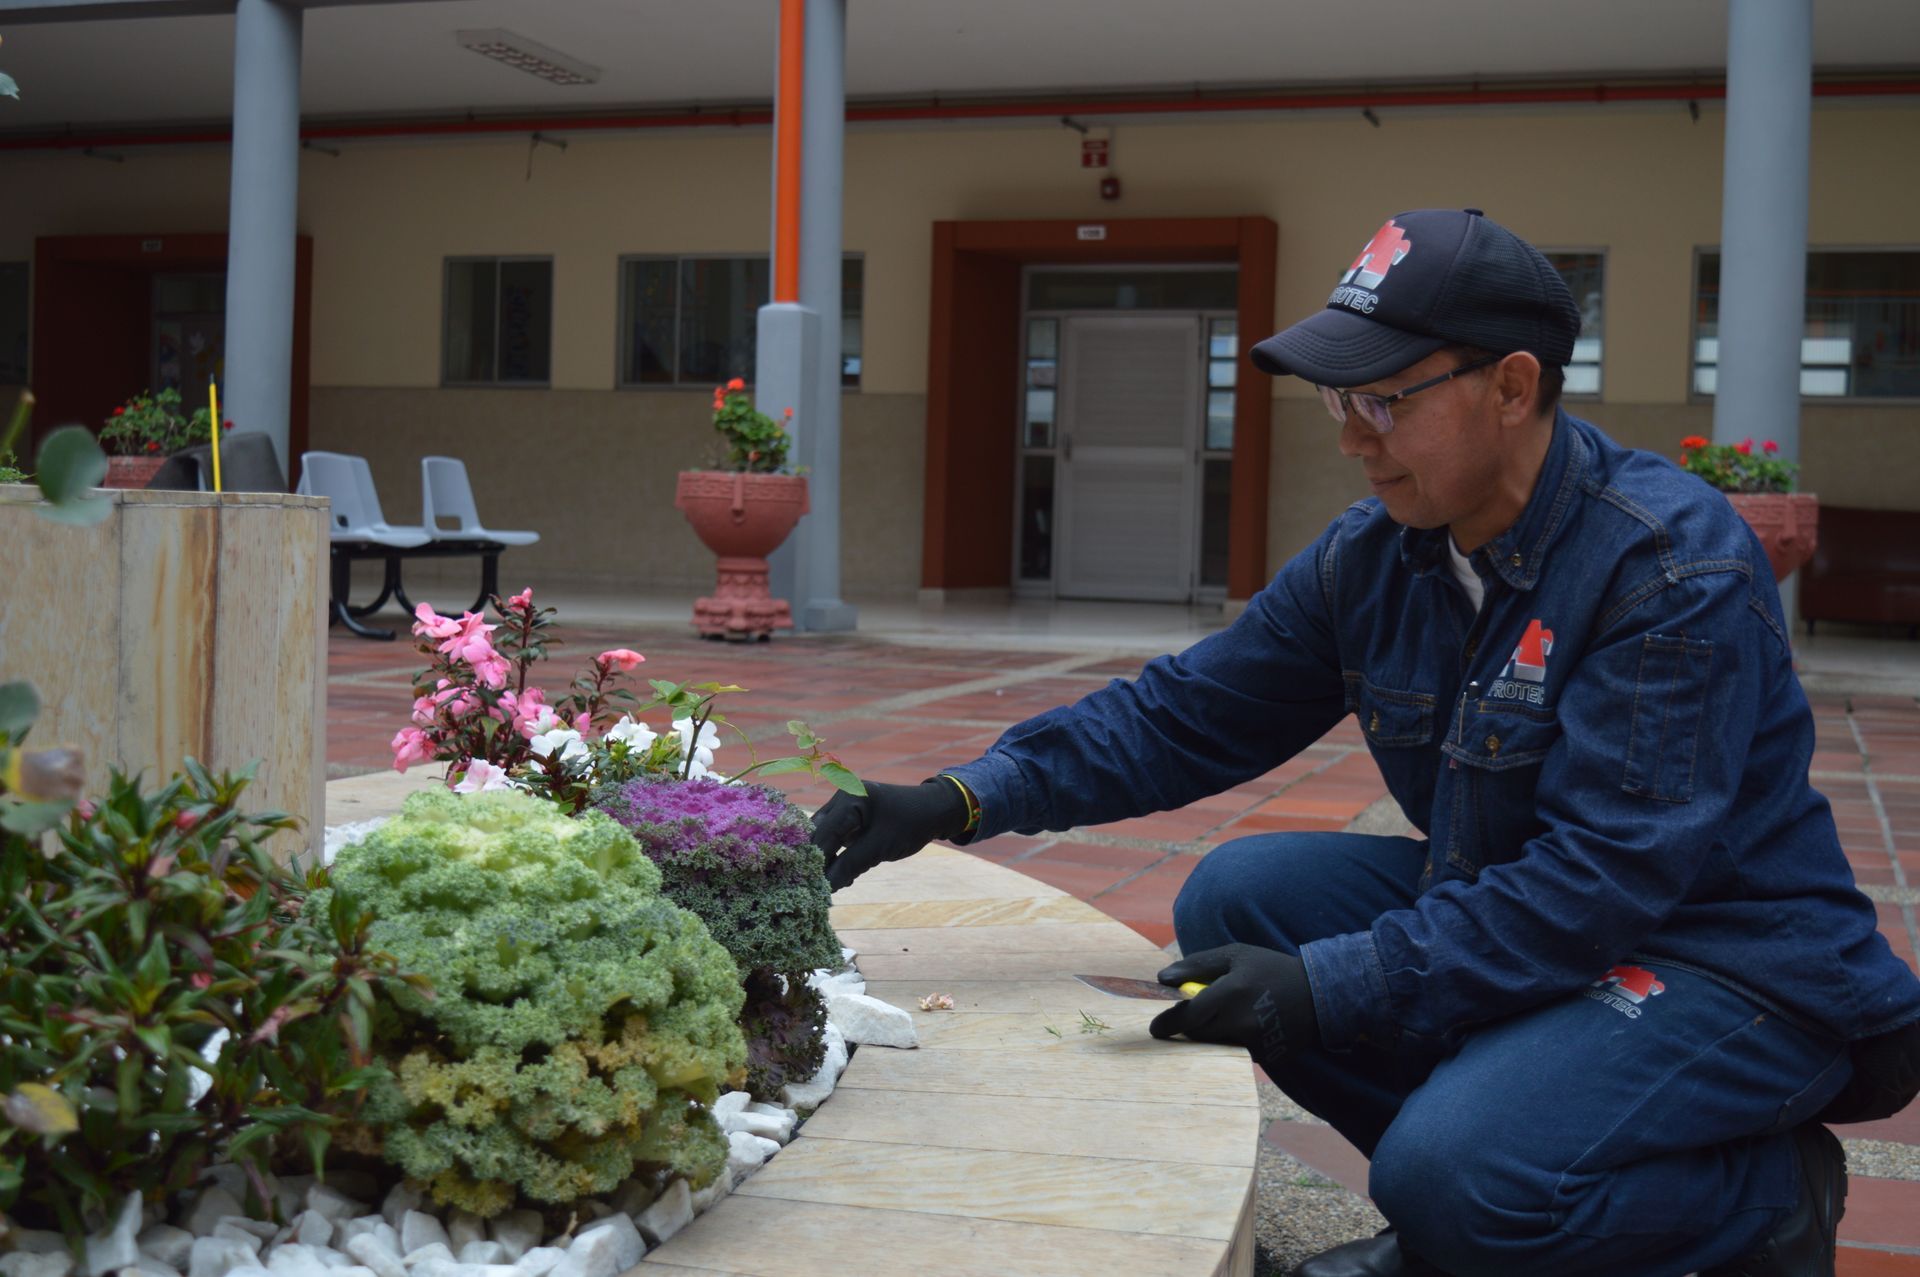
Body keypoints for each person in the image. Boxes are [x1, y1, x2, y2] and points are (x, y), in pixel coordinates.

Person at [808, 208, 1920, 1277]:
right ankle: (1481, 1191)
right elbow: (1185, 712)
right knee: (1243, 893)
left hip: (1729, 959)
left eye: (1383, 401)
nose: (1350, 439)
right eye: (1340, 399)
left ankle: (1762, 1193)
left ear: (1513, 385)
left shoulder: (1669, 565)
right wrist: (960, 796)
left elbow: (1604, 878)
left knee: (1457, 1172)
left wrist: (1333, 986)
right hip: (1545, 917)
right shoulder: (1381, 554)